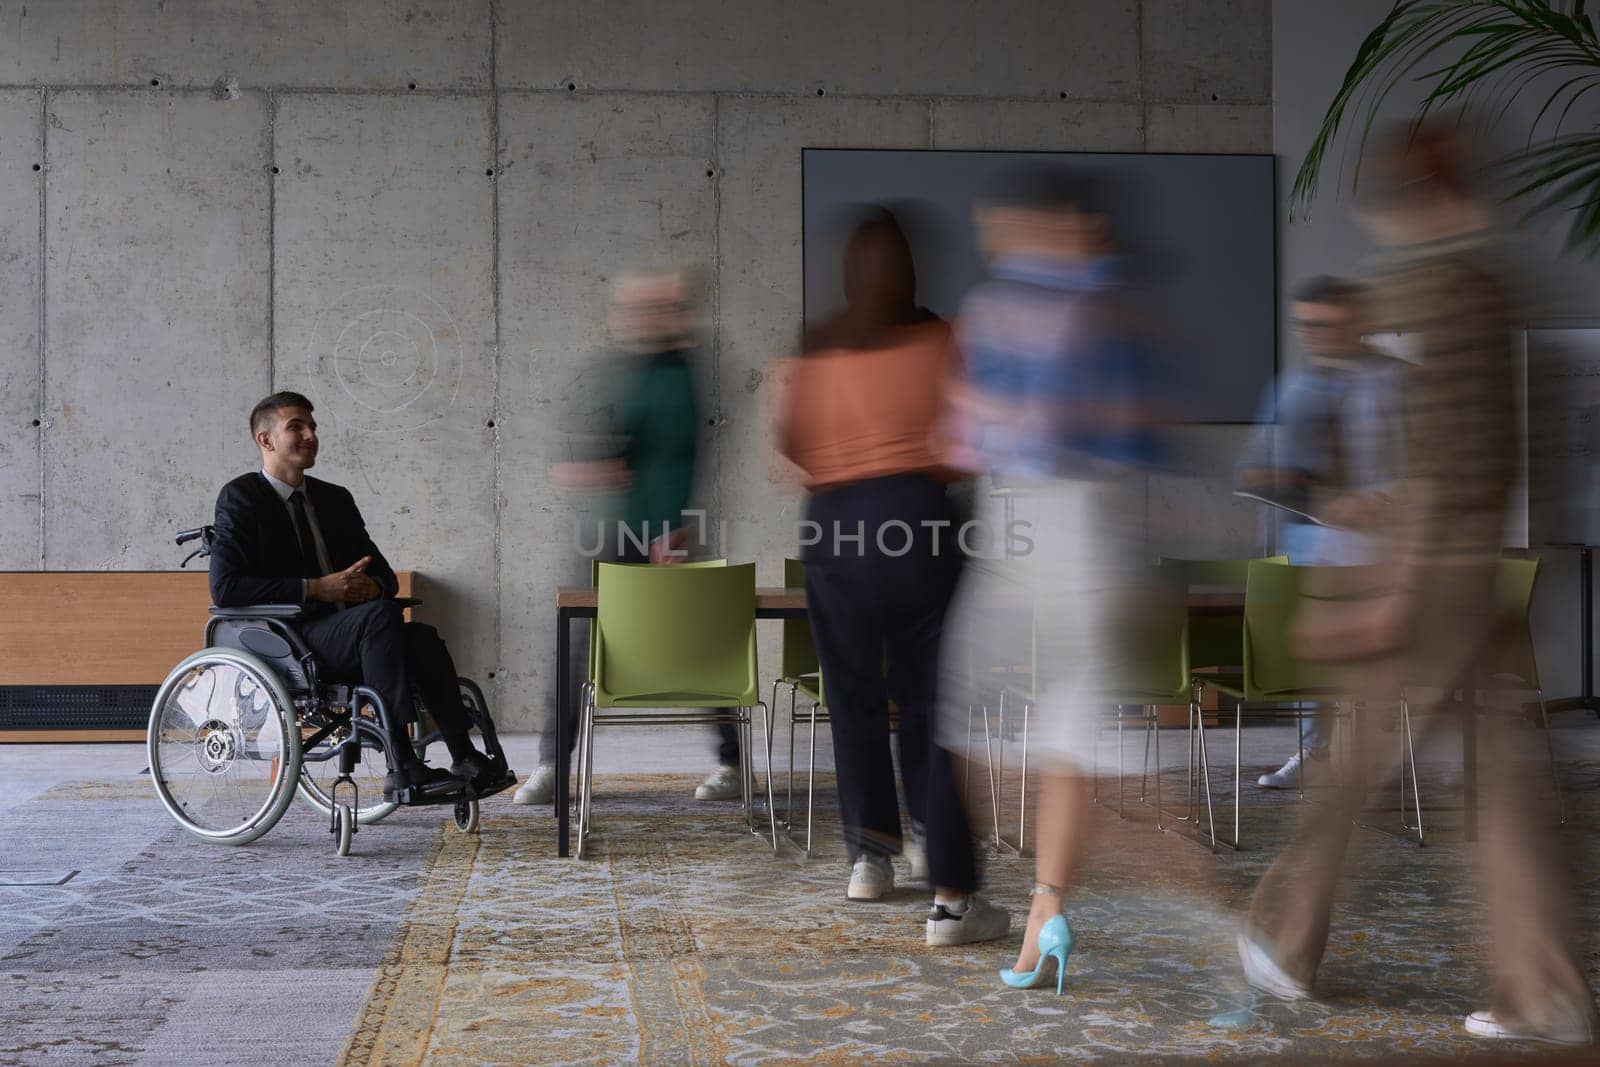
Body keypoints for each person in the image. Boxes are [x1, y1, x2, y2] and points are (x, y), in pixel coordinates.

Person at [1237, 120, 1598, 1046]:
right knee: (1499, 781)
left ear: (1416, 190)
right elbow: (1481, 460)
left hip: (1435, 573)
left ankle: (1285, 941)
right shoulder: (1492, 281)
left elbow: (1447, 467)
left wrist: (1391, 592)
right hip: (1470, 568)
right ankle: (1544, 987)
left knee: (1352, 762)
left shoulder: (1443, 283)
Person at [938, 166, 1168, 990]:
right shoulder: (1116, 306)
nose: (995, 240)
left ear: (1053, 223)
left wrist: (983, 404)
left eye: (1003, 224)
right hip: (1098, 532)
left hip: (1037, 527)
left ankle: (1179, 896)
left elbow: (971, 437)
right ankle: (1047, 906)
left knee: (968, 716)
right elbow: (1140, 434)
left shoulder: (1015, 307)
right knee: (1067, 728)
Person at [774, 207, 1008, 944]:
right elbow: (965, 447)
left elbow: (794, 447)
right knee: (935, 704)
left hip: (835, 529)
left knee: (853, 699)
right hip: (919, 523)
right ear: (913, 269)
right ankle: (949, 893)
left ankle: (868, 858)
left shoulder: (817, 346)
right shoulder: (942, 339)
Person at [513, 267, 742, 806]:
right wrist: (593, 468)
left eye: (661, 307)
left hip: (663, 536)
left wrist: (671, 527)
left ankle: (731, 760)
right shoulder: (624, 371)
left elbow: (682, 456)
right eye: (641, 308)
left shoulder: (678, 375)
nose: (649, 317)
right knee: (572, 647)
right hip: (610, 534)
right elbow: (611, 447)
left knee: (701, 646)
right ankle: (552, 765)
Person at [209, 391, 509, 799]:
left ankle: (464, 754)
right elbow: (226, 587)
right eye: (296, 427)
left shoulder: (334, 499)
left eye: (312, 426)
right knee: (380, 618)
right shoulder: (241, 497)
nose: (310, 435)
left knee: (419, 636)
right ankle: (401, 764)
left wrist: (373, 586)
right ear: (266, 440)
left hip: (349, 630)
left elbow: (384, 575)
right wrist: (317, 588)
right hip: (291, 635)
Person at [1237, 276, 1403, 789]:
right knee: (1316, 664)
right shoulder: (1290, 391)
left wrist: (1381, 499)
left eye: (1332, 324)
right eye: (1309, 326)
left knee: (1375, 660)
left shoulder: (1398, 383)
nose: (1320, 335)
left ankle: (1380, 761)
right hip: (1310, 545)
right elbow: (1254, 470)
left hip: (1383, 547)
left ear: (1359, 321)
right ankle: (1315, 755)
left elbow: (1434, 465)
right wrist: (1299, 487)